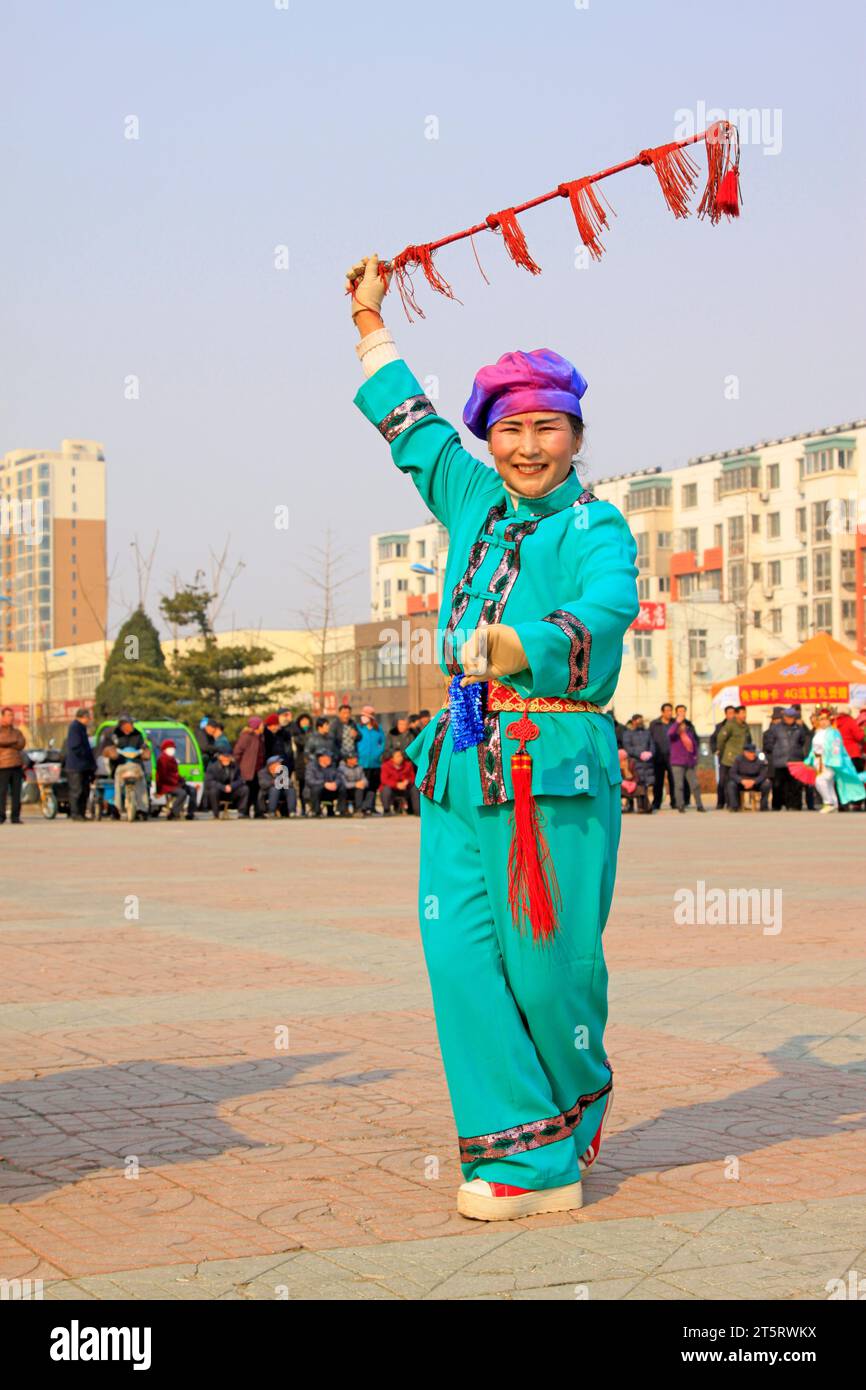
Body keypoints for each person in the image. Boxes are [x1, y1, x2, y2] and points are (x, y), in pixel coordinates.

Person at [348, 253, 639, 1221]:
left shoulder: (596, 525)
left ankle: (567, 1110)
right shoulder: (469, 499)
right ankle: (525, 1153)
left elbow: (606, 609)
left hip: (551, 766)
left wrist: (521, 642)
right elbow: (410, 429)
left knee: (548, 961)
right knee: (458, 955)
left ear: (574, 434)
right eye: (508, 429)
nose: (525, 446)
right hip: (461, 762)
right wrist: (369, 319)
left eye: (544, 427)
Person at [806, 707, 866, 813]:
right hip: (819, 762)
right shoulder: (818, 733)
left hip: (831, 762)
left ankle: (829, 802)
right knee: (827, 783)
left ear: (830, 720)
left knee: (821, 780)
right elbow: (814, 749)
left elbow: (836, 748)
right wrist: (809, 759)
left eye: (825, 719)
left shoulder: (834, 732)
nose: (823, 722)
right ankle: (833, 803)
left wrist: (833, 761)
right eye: (821, 719)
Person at [105, 713, 150, 819]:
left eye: (132, 723)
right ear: (123, 724)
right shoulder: (114, 735)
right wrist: (112, 752)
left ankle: (143, 809)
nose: (132, 726)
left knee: (141, 781)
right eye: (130, 723)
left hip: (136, 764)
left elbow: (144, 746)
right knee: (117, 782)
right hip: (121, 765)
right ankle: (117, 807)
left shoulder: (138, 735)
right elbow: (108, 748)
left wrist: (145, 750)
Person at [762, 706, 806, 811]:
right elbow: (769, 744)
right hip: (780, 761)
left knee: (795, 785)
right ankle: (777, 805)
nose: (790, 719)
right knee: (778, 785)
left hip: (795, 760)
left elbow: (802, 741)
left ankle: (794, 805)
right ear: (784, 717)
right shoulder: (776, 728)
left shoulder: (799, 729)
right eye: (788, 717)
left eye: (792, 717)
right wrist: (777, 750)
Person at [669, 710, 705, 812]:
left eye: (683, 725)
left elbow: (694, 746)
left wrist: (695, 757)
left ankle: (699, 805)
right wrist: (677, 722)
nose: (682, 726)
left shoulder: (689, 734)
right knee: (679, 785)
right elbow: (670, 732)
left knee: (695, 784)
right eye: (680, 725)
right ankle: (680, 805)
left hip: (689, 763)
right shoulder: (674, 736)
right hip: (677, 763)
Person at [64, 708, 96, 820]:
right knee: (76, 790)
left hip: (84, 766)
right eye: (88, 717)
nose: (89, 720)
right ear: (81, 717)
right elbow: (75, 746)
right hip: (75, 766)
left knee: (85, 790)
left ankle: (81, 813)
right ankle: (75, 813)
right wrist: (85, 756)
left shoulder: (82, 728)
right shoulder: (75, 728)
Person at [716, 706, 749, 809]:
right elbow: (720, 739)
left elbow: (748, 741)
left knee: (738, 781)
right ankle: (727, 803)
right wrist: (722, 751)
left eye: (745, 713)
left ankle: (737, 803)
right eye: (742, 713)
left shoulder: (745, 726)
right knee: (726, 782)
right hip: (729, 759)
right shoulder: (730, 725)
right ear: (736, 714)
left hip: (741, 759)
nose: (744, 715)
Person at [156, 739, 197, 820]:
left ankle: (190, 813)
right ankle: (173, 813)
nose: (172, 750)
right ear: (164, 749)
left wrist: (181, 779)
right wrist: (176, 781)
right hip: (166, 785)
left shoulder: (173, 759)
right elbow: (163, 776)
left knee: (193, 790)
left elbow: (176, 774)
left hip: (177, 783)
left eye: (173, 748)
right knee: (182, 793)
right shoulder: (161, 760)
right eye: (170, 748)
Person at [233, 716, 265, 818]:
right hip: (247, 769)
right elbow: (237, 752)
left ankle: (258, 811)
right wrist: (239, 765)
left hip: (258, 769)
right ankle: (244, 812)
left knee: (256, 791)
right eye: (261, 724)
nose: (262, 726)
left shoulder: (260, 737)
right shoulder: (246, 736)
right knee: (247, 790)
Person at [621, 713, 654, 810]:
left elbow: (652, 744)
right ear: (634, 721)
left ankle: (643, 806)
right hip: (634, 762)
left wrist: (650, 753)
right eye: (639, 720)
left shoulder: (647, 733)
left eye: (641, 720)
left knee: (645, 784)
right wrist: (640, 754)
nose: (641, 722)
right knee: (632, 781)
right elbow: (627, 747)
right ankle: (629, 805)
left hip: (647, 763)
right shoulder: (627, 733)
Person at [0, 706, 26, 825]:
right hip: (3, 766)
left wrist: (8, 743)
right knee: (2, 792)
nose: (11, 718)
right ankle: (1, 816)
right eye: (8, 715)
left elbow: (21, 744)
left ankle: (15, 816)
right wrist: (13, 742)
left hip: (16, 765)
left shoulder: (17, 732)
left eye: (12, 715)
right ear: (3, 717)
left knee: (17, 792)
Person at [356, 708, 385, 814]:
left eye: (365, 716)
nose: (363, 718)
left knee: (373, 785)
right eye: (362, 715)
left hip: (375, 763)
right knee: (364, 785)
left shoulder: (378, 729)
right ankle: (363, 806)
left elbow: (382, 743)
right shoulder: (359, 728)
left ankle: (371, 806)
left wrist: (378, 753)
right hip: (362, 762)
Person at [205, 749, 249, 817]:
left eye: (228, 757)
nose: (226, 759)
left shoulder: (235, 766)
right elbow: (209, 782)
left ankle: (242, 812)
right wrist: (223, 787)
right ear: (220, 757)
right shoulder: (212, 767)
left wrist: (231, 786)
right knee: (213, 791)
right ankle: (216, 814)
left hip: (231, 791)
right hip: (219, 791)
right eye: (224, 757)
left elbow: (240, 780)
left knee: (244, 789)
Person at [726, 743, 770, 811]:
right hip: (742, 782)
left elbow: (763, 774)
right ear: (745, 753)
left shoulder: (760, 760)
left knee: (766, 784)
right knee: (731, 784)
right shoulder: (738, 760)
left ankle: (764, 806)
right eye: (750, 753)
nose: (752, 754)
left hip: (755, 783)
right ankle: (734, 806)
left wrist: (754, 781)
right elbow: (732, 773)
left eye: (753, 752)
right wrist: (741, 780)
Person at [649, 703, 676, 810]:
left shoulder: (675, 723)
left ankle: (674, 802)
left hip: (673, 756)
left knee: (673, 780)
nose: (670, 713)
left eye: (671, 710)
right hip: (658, 756)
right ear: (662, 712)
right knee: (658, 781)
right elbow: (649, 738)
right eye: (667, 710)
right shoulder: (654, 724)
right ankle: (657, 802)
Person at [305, 750, 345, 816]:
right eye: (328, 757)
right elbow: (309, 780)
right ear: (321, 758)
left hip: (330, 790)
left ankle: (341, 810)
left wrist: (335, 783)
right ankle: (316, 811)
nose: (330, 759)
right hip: (315, 791)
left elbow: (339, 777)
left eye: (330, 757)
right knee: (316, 788)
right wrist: (324, 784)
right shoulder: (311, 767)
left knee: (342, 787)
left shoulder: (333, 766)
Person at [711, 705, 736, 809]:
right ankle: (720, 802)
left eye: (733, 713)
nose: (732, 715)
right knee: (722, 780)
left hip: (736, 758)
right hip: (724, 757)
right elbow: (713, 739)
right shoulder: (720, 726)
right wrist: (715, 750)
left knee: (734, 780)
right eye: (729, 713)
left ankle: (733, 802)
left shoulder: (740, 726)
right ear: (726, 714)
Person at [257, 753, 297, 817]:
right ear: (271, 765)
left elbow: (289, 782)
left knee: (290, 789)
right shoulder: (262, 772)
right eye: (278, 763)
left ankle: (292, 812)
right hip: (267, 792)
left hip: (281, 792)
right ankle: (271, 811)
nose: (280, 765)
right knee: (275, 789)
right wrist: (275, 782)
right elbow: (263, 784)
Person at [379, 748, 417, 814]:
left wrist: (407, 781)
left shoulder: (408, 765)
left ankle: (417, 810)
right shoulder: (385, 766)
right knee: (385, 789)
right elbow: (384, 780)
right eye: (398, 756)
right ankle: (386, 810)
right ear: (392, 758)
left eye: (401, 756)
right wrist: (396, 784)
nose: (400, 758)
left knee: (414, 788)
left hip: (405, 788)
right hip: (392, 789)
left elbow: (413, 777)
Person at [291, 712, 313, 814]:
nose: (305, 723)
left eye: (306, 721)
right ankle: (303, 808)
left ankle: (312, 807)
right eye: (302, 721)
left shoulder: (313, 732)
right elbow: (303, 743)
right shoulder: (296, 734)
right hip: (301, 763)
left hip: (312, 763)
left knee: (312, 785)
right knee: (302, 785)